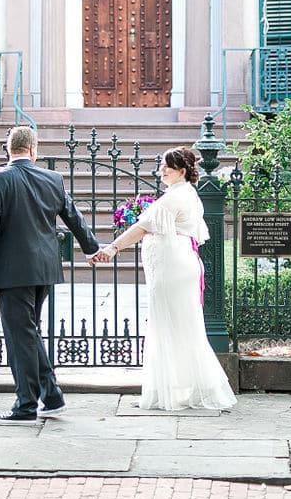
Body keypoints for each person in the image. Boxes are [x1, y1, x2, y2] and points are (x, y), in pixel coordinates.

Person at [0, 125, 99, 425]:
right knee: (29, 333)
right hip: (45, 270)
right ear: (33, 149)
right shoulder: (52, 178)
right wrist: (91, 249)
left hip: (13, 272)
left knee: (20, 337)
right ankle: (51, 397)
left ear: (7, 150)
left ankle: (25, 406)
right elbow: (73, 217)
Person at [90, 146, 235, 412]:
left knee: (166, 326)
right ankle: (177, 389)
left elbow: (142, 227)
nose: (161, 171)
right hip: (179, 266)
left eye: (166, 167)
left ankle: (166, 392)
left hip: (172, 269)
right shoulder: (186, 194)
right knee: (180, 327)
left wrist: (112, 248)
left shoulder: (174, 198)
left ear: (181, 171)